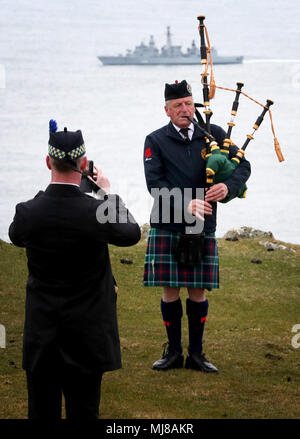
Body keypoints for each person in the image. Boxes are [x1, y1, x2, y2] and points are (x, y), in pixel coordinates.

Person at [8, 121, 141, 419]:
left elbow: (17, 235)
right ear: (83, 163)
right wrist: (104, 193)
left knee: (41, 412)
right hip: (88, 335)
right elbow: (131, 233)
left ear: (47, 162)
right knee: (85, 411)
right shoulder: (97, 211)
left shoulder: (28, 212)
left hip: (42, 334)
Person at [143, 80, 251, 373]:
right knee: (170, 290)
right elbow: (155, 185)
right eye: (177, 105)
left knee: (197, 291)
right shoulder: (155, 140)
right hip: (169, 225)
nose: (184, 110)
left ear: (195, 106)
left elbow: (243, 166)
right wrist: (184, 204)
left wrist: (227, 187)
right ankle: (174, 352)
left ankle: (197, 354)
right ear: (167, 110)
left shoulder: (213, 134)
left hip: (203, 226)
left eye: (188, 104)